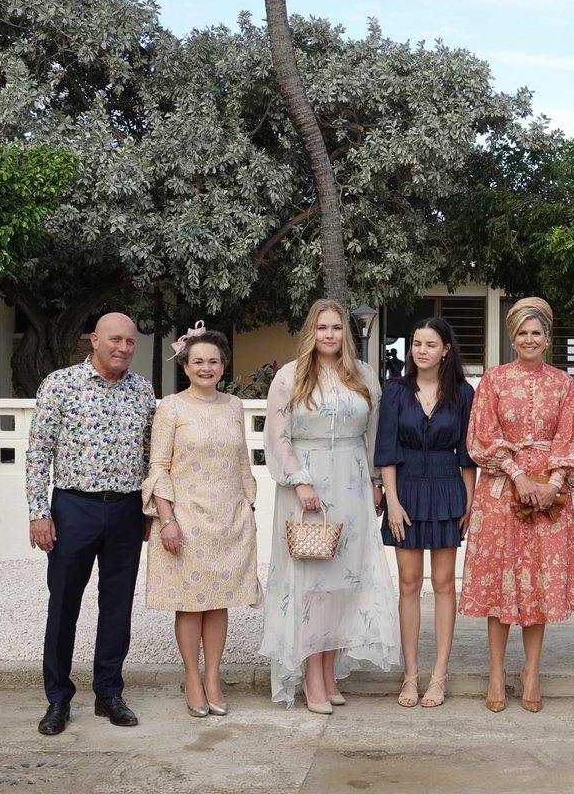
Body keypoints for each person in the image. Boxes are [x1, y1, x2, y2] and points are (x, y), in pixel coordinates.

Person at [260, 299, 398, 714]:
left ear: (345, 333)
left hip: (352, 483)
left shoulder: (363, 375)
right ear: (311, 331)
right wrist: (299, 480)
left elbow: (374, 434)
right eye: (322, 328)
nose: (330, 335)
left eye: (336, 328)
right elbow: (278, 437)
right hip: (307, 483)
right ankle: (311, 677)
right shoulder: (289, 376)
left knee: (342, 584)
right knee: (312, 584)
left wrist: (376, 483)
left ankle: (328, 668)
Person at [459, 297, 574, 713]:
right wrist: (517, 474)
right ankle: (497, 670)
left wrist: (553, 483)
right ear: (512, 337)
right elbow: (482, 435)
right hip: (501, 491)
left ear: (547, 338)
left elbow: (571, 437)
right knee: (502, 584)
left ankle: (531, 670)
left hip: (550, 494)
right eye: (522, 333)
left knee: (536, 585)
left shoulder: (563, 384)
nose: (529, 339)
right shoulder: (493, 382)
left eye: (536, 333)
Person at [26, 312, 156, 735]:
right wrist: (39, 513)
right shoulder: (61, 384)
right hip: (73, 509)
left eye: (130, 342)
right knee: (64, 604)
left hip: (125, 510)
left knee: (117, 606)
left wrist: (149, 512)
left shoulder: (142, 391)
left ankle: (109, 693)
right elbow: (38, 454)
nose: (123, 348)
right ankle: (58, 698)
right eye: (115, 340)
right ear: (95, 340)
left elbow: (152, 455)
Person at [142, 324, 260, 718]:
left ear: (223, 365)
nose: (206, 367)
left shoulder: (233, 406)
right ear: (186, 366)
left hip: (228, 519)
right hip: (186, 519)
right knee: (190, 604)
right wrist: (166, 519)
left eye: (213, 361)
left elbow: (243, 462)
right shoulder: (171, 407)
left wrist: (249, 508)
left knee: (219, 602)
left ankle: (214, 677)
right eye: (198, 361)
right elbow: (159, 466)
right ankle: (192, 677)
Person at [375, 318, 476, 708]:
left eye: (431, 344)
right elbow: (386, 449)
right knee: (409, 584)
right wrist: (393, 501)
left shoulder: (464, 393)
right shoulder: (396, 392)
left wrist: (470, 502)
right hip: (408, 489)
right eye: (416, 343)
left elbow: (469, 456)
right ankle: (411, 676)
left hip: (449, 489)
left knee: (446, 583)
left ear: (446, 349)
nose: (421, 350)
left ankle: (439, 676)